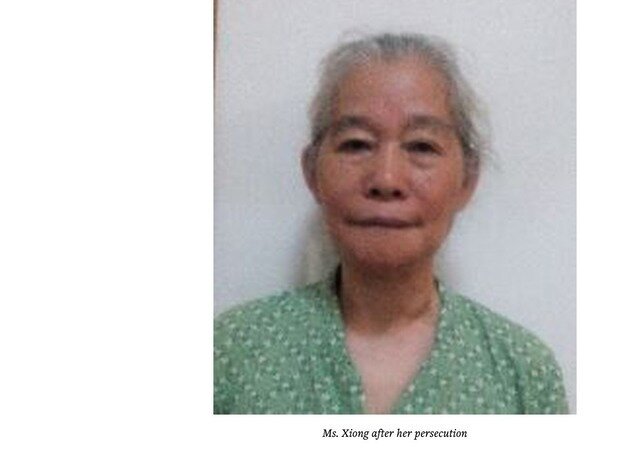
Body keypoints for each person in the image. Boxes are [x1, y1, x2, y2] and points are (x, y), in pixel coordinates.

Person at [214, 32, 568, 414]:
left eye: (421, 146)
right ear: (312, 173)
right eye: (356, 144)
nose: (386, 179)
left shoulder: (523, 374)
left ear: (467, 180)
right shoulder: (231, 353)